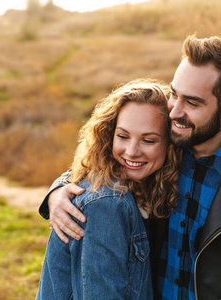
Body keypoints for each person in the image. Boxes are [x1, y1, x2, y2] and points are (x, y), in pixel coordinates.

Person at [39, 33, 221, 299]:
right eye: (174, 94)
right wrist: (60, 188)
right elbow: (111, 165)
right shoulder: (165, 145)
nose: (174, 111)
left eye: (192, 103)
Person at [36, 79, 181, 299]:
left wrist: (58, 186)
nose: (131, 151)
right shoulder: (106, 202)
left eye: (148, 140)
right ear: (108, 135)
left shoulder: (153, 190)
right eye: (123, 136)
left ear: (170, 145)